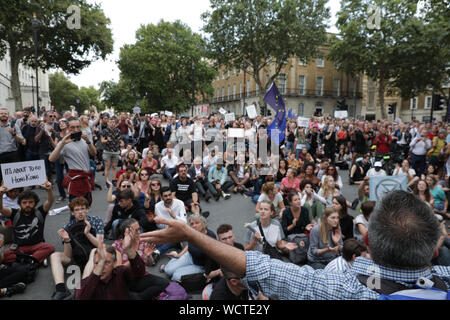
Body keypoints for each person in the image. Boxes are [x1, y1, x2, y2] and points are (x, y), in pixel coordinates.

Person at [142, 189, 449, 300]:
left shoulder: (341, 286)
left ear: (366, 239)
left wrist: (192, 235)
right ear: (436, 247)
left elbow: (264, 268)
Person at [49, 197, 104, 300]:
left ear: (87, 209)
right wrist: (66, 240)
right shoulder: (68, 226)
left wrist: (87, 233)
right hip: (76, 261)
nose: (80, 212)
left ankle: (81, 290)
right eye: (77, 210)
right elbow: (67, 255)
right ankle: (61, 290)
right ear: (72, 213)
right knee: (55, 256)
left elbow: (100, 245)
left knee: (94, 251)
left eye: (83, 209)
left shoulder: (96, 221)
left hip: (94, 260)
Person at [75, 231, 145, 300]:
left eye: (106, 262)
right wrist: (101, 262)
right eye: (97, 263)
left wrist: (129, 249)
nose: (101, 267)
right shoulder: (85, 283)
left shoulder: (121, 272)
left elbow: (139, 273)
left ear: (114, 263)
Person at [0, 182, 55, 266]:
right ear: (20, 203)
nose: (27, 205)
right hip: (19, 247)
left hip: (37, 245)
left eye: (30, 202)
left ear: (35, 203)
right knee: (3, 257)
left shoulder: (40, 212)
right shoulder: (14, 213)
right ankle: (33, 259)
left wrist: (49, 190)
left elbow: (50, 201)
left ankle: (25, 260)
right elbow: (1, 208)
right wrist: (1, 194)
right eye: (24, 202)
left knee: (50, 248)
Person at [112, 219, 169, 299]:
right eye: (136, 230)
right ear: (127, 232)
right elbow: (118, 269)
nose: (139, 232)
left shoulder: (142, 242)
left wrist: (148, 256)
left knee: (164, 283)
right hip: (125, 279)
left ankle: (138, 297)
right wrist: (135, 257)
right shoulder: (117, 244)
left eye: (139, 229)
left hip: (140, 276)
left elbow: (150, 264)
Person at [49, 117, 97, 205]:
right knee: (76, 209)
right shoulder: (64, 142)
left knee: (85, 208)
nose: (76, 129)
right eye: (72, 127)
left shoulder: (84, 139)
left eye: (78, 127)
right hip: (75, 180)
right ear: (67, 128)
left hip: (86, 178)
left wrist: (88, 142)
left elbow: (94, 153)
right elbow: (51, 159)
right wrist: (62, 143)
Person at [162, 214, 218, 282]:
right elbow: (189, 245)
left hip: (199, 265)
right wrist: (179, 255)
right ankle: (175, 257)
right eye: (192, 224)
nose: (194, 226)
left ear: (204, 223)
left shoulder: (210, 237)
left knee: (176, 276)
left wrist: (207, 274)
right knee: (168, 270)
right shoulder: (193, 233)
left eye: (197, 223)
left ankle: (175, 264)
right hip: (189, 255)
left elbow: (211, 259)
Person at [154, 187, 187, 255]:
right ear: (161, 197)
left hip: (178, 229)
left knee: (170, 238)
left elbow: (184, 222)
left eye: (169, 195)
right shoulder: (157, 206)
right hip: (166, 230)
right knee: (157, 241)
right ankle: (174, 244)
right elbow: (159, 225)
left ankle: (157, 252)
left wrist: (173, 216)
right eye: (165, 196)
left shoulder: (180, 203)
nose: (168, 197)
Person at [0, 108, 25, 183]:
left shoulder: (14, 126)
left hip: (13, 155)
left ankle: (18, 194)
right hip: (1, 155)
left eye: (5, 113)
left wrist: (14, 134)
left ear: (8, 115)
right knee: (2, 179)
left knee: (15, 179)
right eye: (1, 113)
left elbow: (23, 141)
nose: (3, 115)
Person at [101, 117, 122, 187]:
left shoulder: (118, 130)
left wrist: (121, 143)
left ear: (115, 123)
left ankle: (113, 180)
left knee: (114, 167)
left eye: (113, 122)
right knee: (107, 166)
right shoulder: (104, 131)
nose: (112, 124)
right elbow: (102, 141)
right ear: (108, 123)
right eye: (110, 122)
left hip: (116, 150)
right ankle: (107, 181)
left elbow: (120, 139)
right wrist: (107, 140)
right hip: (107, 150)